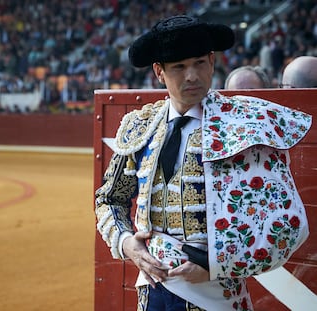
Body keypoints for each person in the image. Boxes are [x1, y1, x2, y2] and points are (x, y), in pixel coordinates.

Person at [95, 15, 312, 311]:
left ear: (212, 61)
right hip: (152, 293)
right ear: (159, 71)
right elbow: (110, 198)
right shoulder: (140, 126)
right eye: (179, 67)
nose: (192, 76)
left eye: (199, 63)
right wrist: (126, 243)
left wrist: (215, 265)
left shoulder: (245, 125)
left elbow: (288, 224)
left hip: (217, 296)